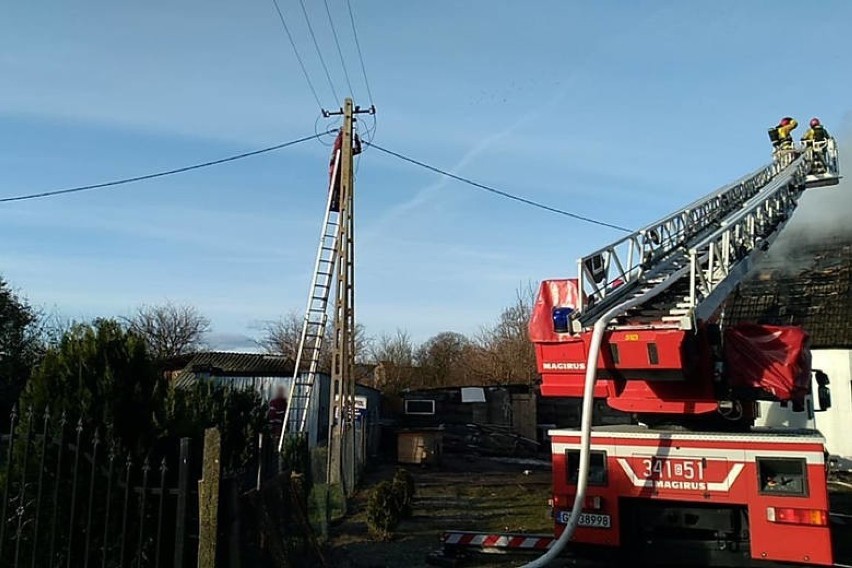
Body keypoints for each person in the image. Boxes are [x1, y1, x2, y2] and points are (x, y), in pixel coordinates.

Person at [328, 129, 363, 212]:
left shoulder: (347, 151)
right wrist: (342, 133)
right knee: (336, 188)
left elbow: (357, 150)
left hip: (343, 173)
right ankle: (334, 203)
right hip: (336, 171)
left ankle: (338, 204)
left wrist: (356, 139)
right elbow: (338, 146)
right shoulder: (338, 150)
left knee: (341, 189)